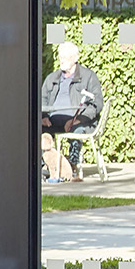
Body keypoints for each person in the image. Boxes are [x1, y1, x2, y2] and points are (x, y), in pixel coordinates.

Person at [41, 39, 101, 178]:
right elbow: (42, 99)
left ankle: (72, 164)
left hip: (78, 120)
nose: (62, 60)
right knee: (35, 129)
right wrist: (43, 116)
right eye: (60, 57)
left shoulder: (88, 77)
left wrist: (78, 119)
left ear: (75, 59)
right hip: (52, 120)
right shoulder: (52, 78)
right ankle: (41, 165)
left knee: (77, 130)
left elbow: (97, 103)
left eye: (66, 57)